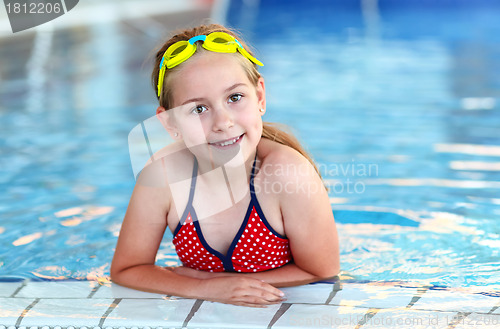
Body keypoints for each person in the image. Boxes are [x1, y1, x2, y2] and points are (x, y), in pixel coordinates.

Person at [110, 23, 340, 308]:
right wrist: (207, 287)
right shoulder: (163, 175)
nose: (223, 123)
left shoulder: (286, 173)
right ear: (170, 123)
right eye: (198, 109)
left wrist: (214, 283)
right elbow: (126, 269)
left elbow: (322, 271)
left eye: (235, 98)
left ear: (259, 97)